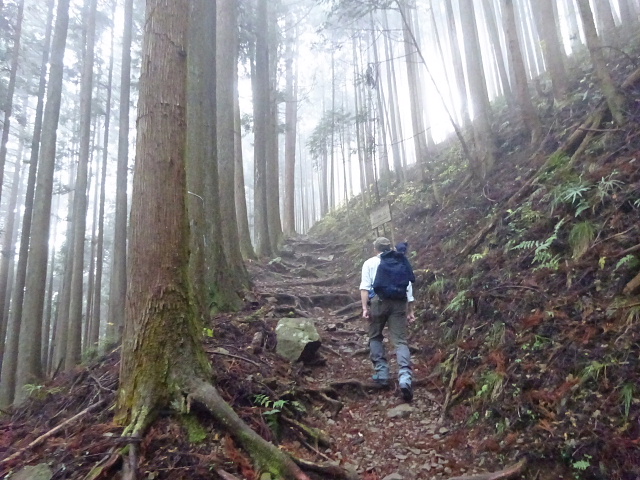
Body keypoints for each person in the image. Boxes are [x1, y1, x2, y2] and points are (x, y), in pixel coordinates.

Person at [359, 237, 416, 402]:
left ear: (375, 248)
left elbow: (365, 287)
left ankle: (382, 373)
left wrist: (364, 308)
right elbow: (408, 287)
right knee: (400, 341)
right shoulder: (399, 260)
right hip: (399, 303)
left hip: (379, 302)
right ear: (389, 247)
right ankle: (405, 377)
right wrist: (411, 310)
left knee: (375, 336)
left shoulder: (369, 263)